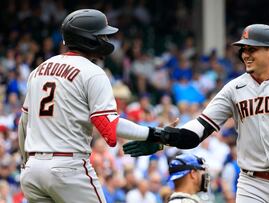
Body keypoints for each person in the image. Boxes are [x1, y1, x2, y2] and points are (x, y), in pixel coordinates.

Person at [123, 24, 269, 203]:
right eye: (243, 49)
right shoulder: (234, 88)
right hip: (252, 182)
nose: (245, 54)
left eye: (252, 49)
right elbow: (199, 130)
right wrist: (163, 138)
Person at [18, 9, 162, 203]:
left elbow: (23, 124)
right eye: (101, 35)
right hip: (68, 167)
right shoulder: (92, 72)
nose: (105, 39)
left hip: (33, 170)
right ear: (87, 38)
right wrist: (155, 134)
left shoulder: (38, 71)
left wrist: (26, 165)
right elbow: (109, 128)